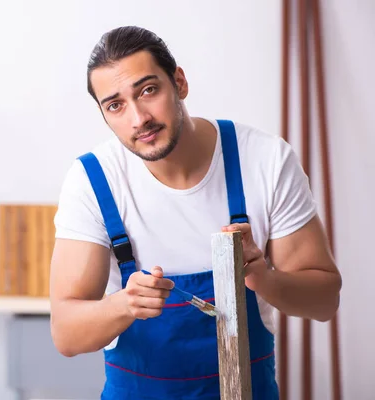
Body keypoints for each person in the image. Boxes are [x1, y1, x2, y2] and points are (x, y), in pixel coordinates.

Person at [49, 25, 342, 400]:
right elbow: (66, 334)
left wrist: (262, 278)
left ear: (180, 83)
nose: (138, 119)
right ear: (105, 115)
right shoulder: (93, 181)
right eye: (116, 105)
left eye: (148, 90)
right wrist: (124, 305)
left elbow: (324, 301)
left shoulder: (265, 161)